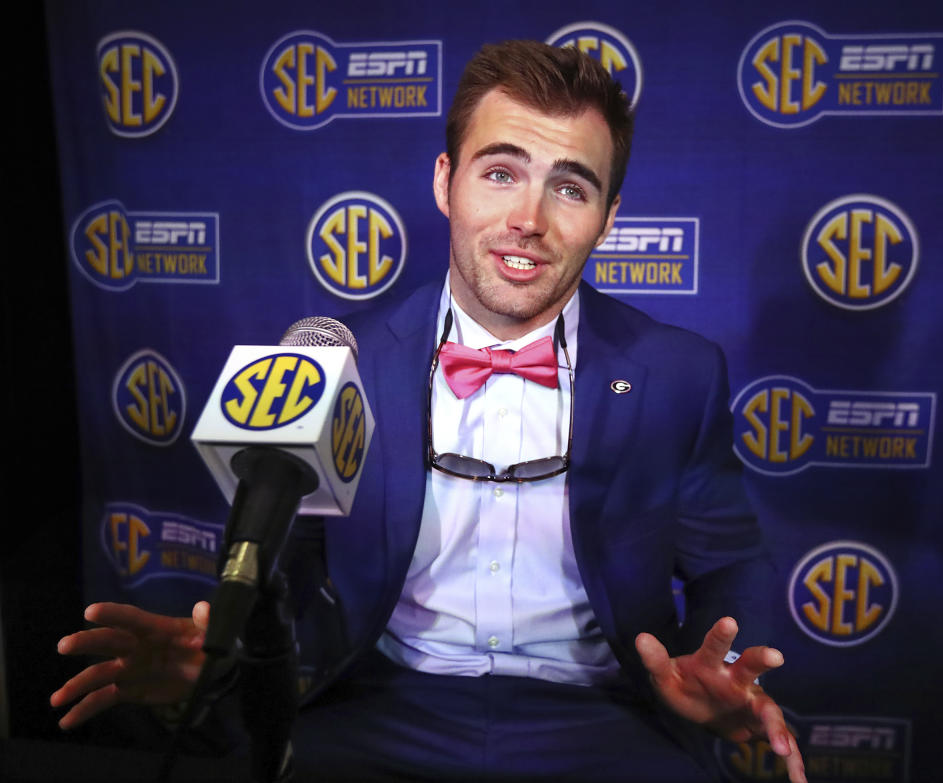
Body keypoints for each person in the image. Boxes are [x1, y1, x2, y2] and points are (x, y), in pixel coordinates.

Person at [52, 40, 806, 783]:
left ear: (608, 217)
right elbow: (281, 571)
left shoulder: (679, 373)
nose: (529, 219)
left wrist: (730, 667)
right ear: (447, 182)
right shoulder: (339, 361)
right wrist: (225, 649)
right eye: (501, 172)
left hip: (599, 715)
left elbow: (730, 561)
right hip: (378, 704)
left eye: (570, 188)